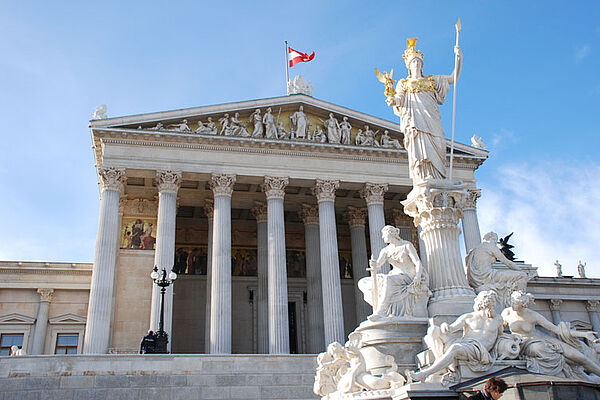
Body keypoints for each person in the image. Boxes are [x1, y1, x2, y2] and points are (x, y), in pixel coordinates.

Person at [386, 38, 462, 184]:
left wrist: (458, 57)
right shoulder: (404, 83)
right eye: (413, 62)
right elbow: (398, 100)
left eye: (418, 62)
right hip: (415, 122)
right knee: (420, 151)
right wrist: (392, 100)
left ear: (422, 65)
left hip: (431, 119)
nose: (416, 64)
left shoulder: (432, 81)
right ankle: (423, 178)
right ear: (409, 66)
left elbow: (453, 78)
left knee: (439, 144)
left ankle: (438, 178)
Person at [502, 291, 600, 381]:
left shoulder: (533, 315)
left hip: (542, 338)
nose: (513, 305)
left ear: (523, 305)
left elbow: (556, 329)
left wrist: (584, 334)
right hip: (525, 343)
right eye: (512, 302)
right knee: (540, 348)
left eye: (516, 303)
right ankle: (571, 371)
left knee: (579, 357)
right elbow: (499, 329)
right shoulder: (507, 313)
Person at [408, 291, 503, 382]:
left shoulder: (498, 319)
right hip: (465, 343)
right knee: (433, 330)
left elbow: (501, 336)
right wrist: (445, 326)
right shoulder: (469, 316)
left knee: (455, 348)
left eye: (491, 303)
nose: (490, 305)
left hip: (478, 350)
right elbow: (452, 328)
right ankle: (442, 365)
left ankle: (425, 373)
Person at [357, 225, 429, 319]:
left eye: (384, 234)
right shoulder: (386, 251)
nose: (382, 237)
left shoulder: (406, 246)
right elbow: (378, 265)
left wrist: (418, 276)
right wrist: (374, 265)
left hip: (408, 276)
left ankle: (381, 311)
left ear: (391, 234)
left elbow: (417, 262)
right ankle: (380, 307)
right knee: (363, 282)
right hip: (395, 276)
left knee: (388, 280)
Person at [465, 232, 528, 307]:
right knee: (522, 276)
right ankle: (520, 304)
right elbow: (508, 263)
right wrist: (521, 271)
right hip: (488, 276)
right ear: (492, 238)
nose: (496, 243)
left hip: (475, 281)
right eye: (495, 240)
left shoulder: (473, 250)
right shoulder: (490, 246)